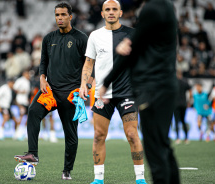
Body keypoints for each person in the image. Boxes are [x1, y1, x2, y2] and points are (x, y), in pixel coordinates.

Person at [99, 0, 180, 183]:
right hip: (165, 85)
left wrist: (106, 82)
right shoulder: (166, 8)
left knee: (155, 151)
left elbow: (131, 50)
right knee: (163, 146)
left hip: (152, 88)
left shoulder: (152, 9)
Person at [14, 2, 88, 180]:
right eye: (57, 15)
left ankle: (67, 170)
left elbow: (89, 64)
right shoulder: (48, 38)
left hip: (71, 94)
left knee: (70, 135)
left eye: (63, 15)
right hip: (51, 91)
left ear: (70, 16)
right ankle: (33, 153)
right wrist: (41, 78)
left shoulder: (81, 38)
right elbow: (43, 62)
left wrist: (86, 85)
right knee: (33, 112)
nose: (60, 18)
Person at [79, 1, 146, 184]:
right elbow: (88, 63)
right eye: (107, 9)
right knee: (99, 136)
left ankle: (140, 178)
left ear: (120, 12)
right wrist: (84, 84)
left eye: (114, 9)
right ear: (102, 14)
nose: (111, 12)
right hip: (102, 94)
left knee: (132, 134)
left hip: (128, 92)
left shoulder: (132, 34)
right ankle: (98, 179)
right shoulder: (94, 36)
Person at [13, 69, 31, 141]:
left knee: (27, 117)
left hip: (26, 102)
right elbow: (14, 89)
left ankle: (23, 132)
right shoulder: (20, 80)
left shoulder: (28, 81)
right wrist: (21, 92)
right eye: (27, 74)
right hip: (20, 101)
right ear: (24, 74)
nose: (28, 75)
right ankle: (17, 133)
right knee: (21, 115)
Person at [174, 70, 192, 144]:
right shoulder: (185, 81)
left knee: (176, 121)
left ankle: (178, 138)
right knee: (183, 121)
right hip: (183, 104)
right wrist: (189, 101)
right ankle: (186, 138)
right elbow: (190, 91)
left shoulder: (174, 82)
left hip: (175, 105)